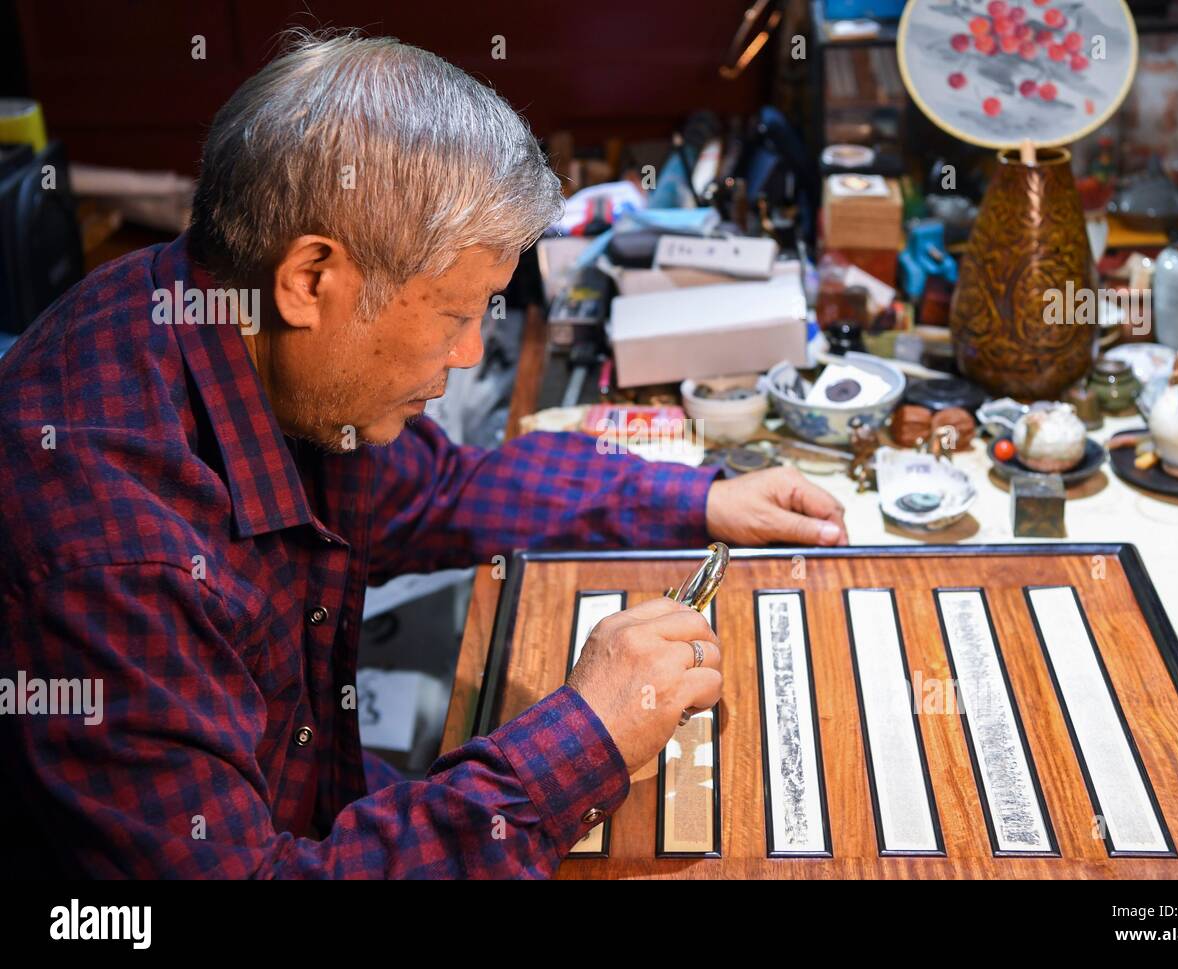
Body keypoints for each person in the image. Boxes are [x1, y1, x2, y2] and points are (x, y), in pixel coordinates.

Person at [0, 33, 847, 878]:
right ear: (311, 280)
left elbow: (436, 489)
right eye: (454, 313)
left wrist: (696, 501)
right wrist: (582, 741)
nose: (473, 351)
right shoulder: (117, 555)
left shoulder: (230, 322)